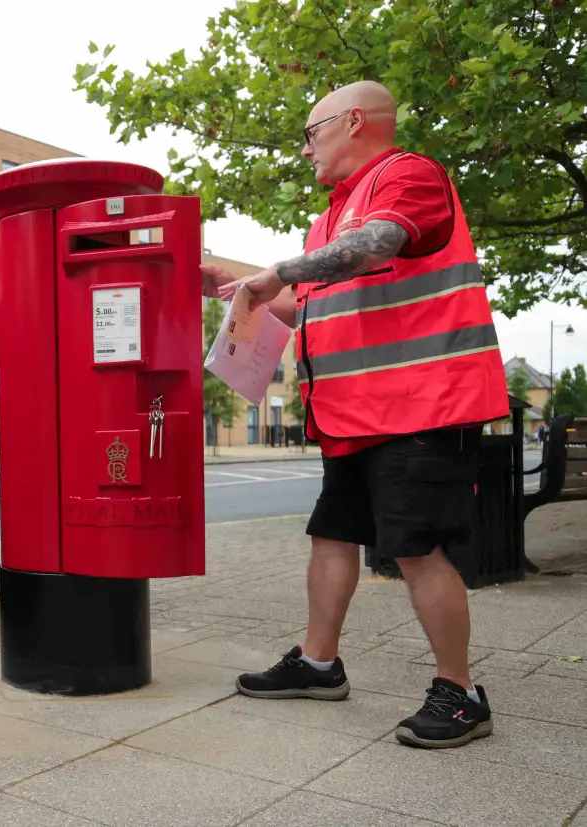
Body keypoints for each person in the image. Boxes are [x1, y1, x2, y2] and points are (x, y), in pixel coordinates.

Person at [200, 80, 511, 749]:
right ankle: (318, 663)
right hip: (354, 417)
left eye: (310, 134)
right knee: (333, 535)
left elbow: (377, 246)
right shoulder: (329, 219)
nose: (306, 149)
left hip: (422, 406)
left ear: (354, 121)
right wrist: (230, 284)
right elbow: (305, 304)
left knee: (414, 548)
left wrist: (276, 272)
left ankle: (461, 692)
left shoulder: (408, 175)